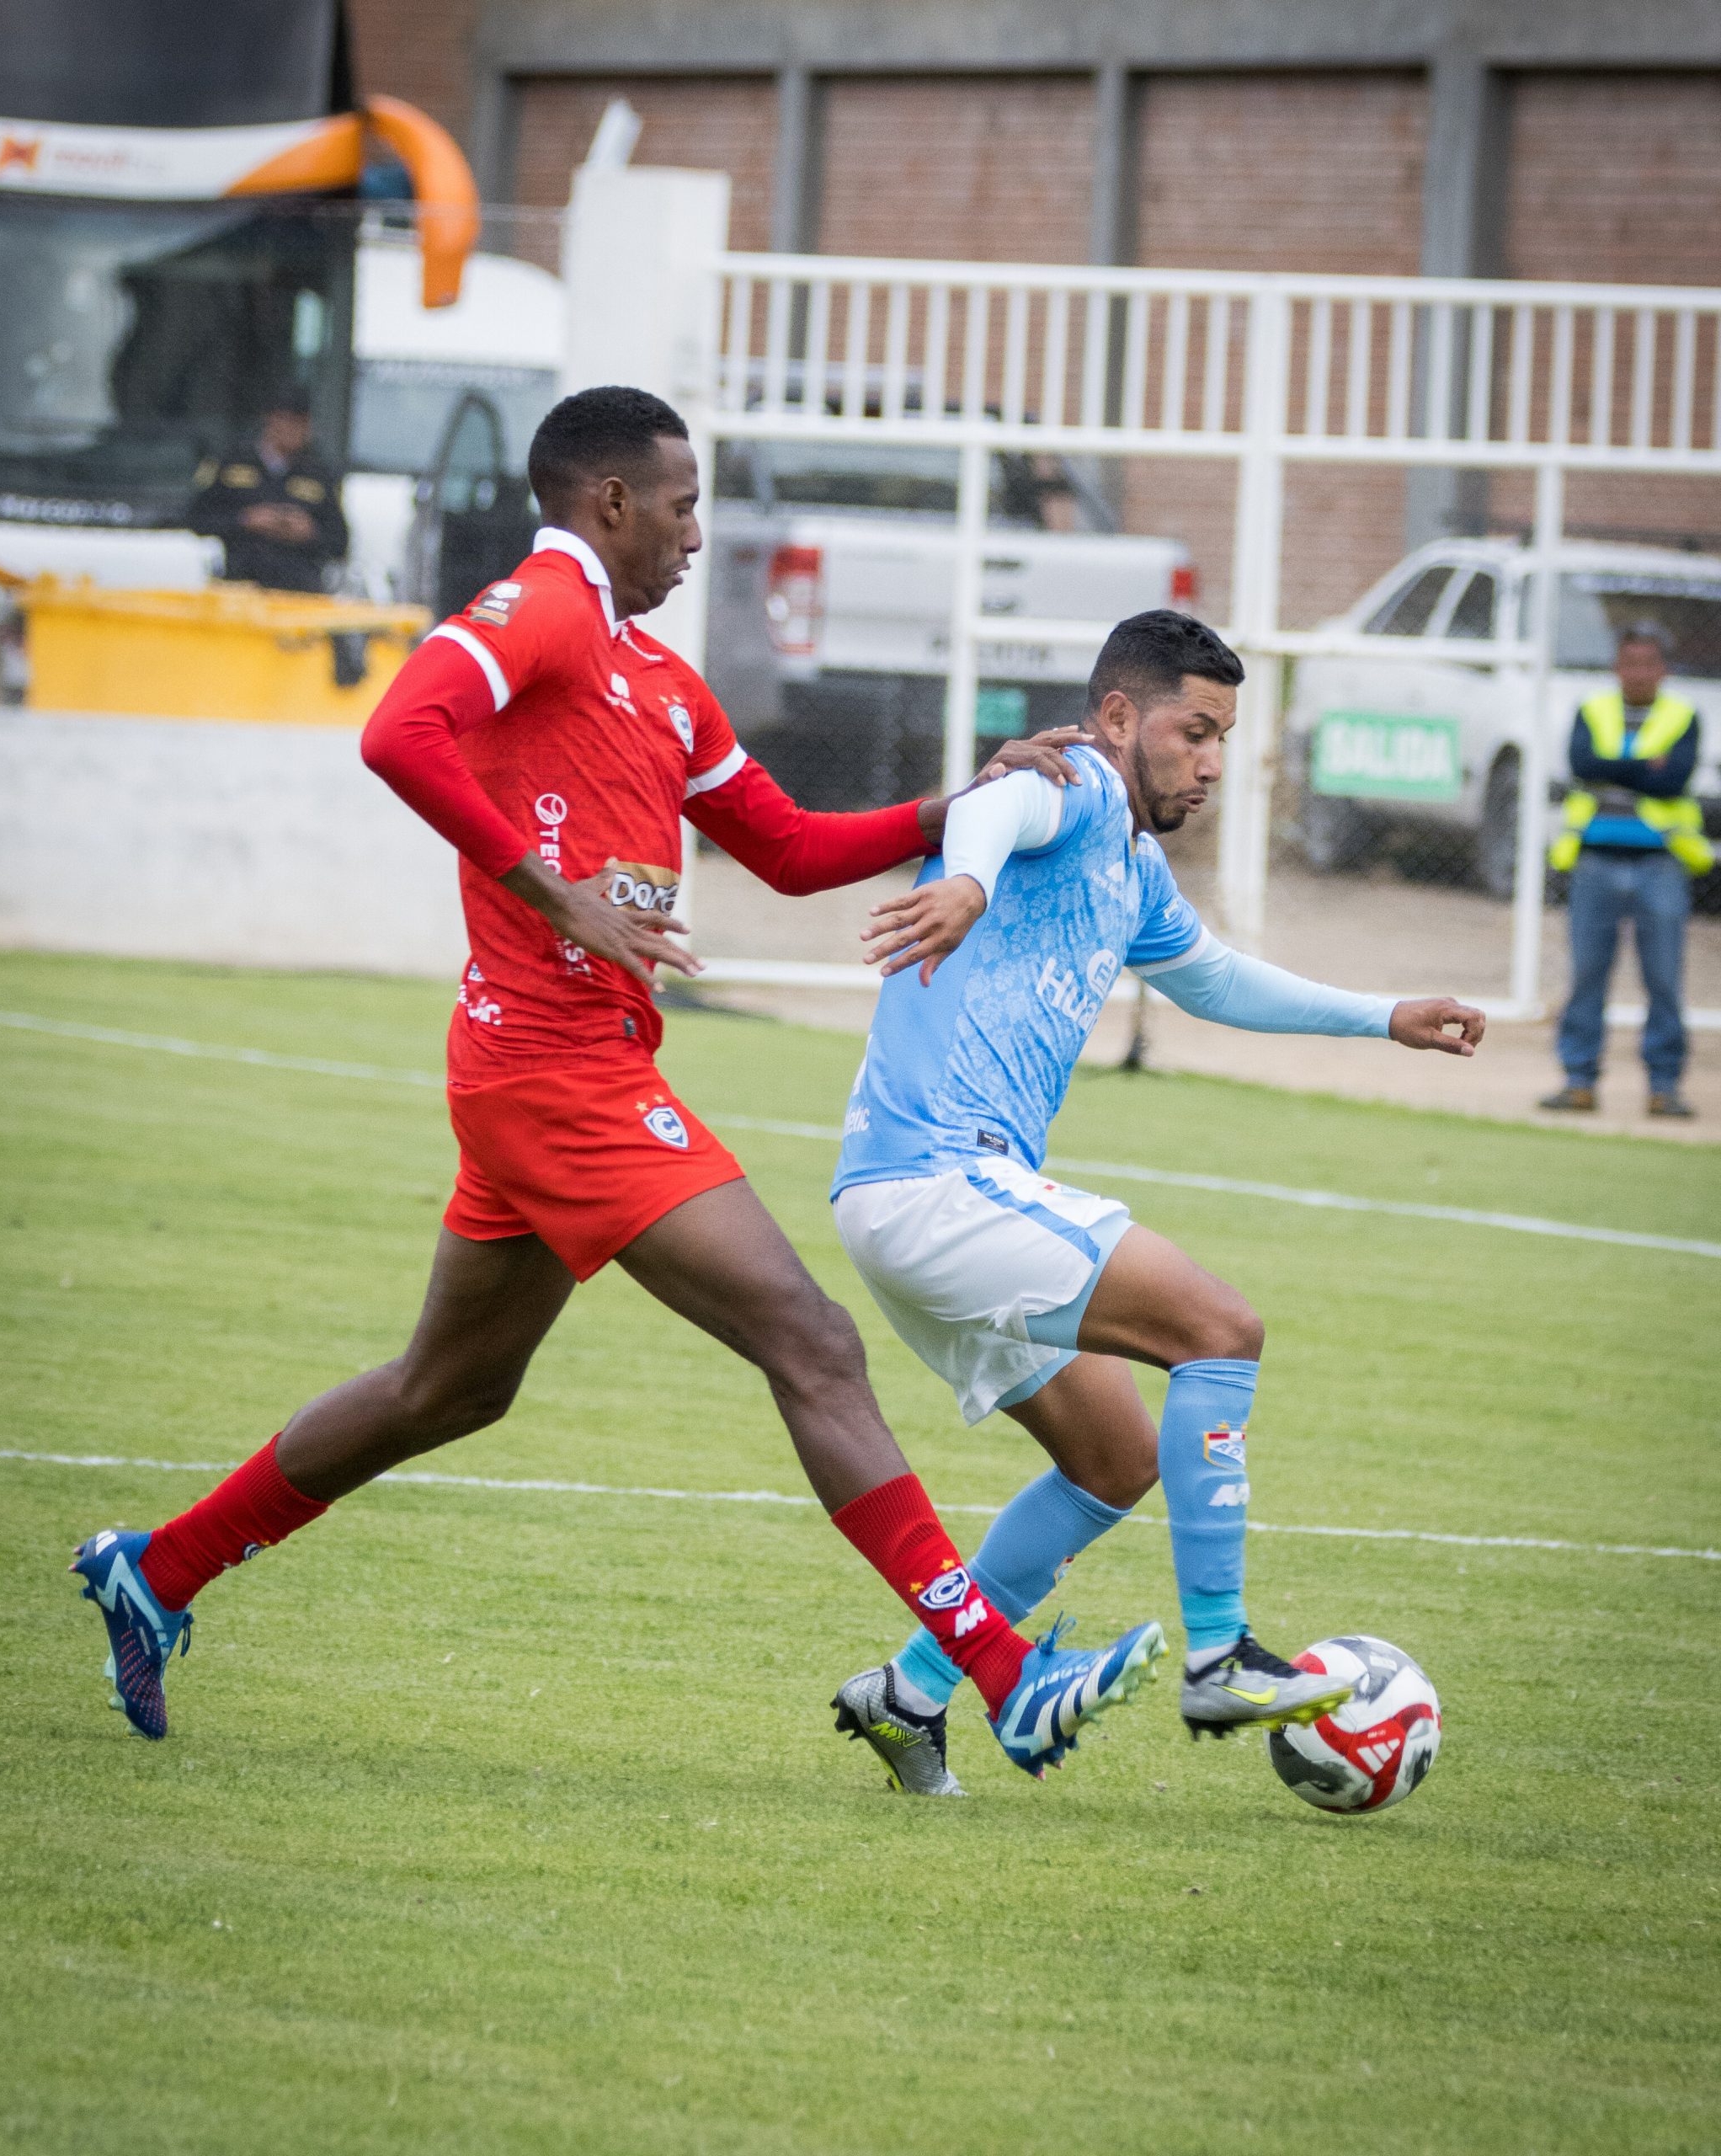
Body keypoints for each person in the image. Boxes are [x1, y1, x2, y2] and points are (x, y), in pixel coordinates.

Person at [72, 387, 1162, 1782]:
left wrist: (962, 802)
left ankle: (155, 1570)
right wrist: (552, 895)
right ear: (607, 505)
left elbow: (784, 844)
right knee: (810, 1339)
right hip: (552, 1072)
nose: (697, 532)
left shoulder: (652, 677)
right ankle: (1004, 1678)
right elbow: (396, 729)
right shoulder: (544, 607)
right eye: (684, 502)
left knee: (445, 1392)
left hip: (560, 1072)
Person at [825, 611, 1486, 1797]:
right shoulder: (1072, 782)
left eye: (1226, 738)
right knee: (1219, 1330)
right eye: (1197, 731)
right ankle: (1221, 1655)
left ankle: (913, 1694)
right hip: (938, 1181)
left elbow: (1219, 979)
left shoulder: (1131, 866)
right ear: (1123, 717)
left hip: (928, 1199)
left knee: (1115, 1455)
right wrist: (968, 881)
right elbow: (992, 805)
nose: (1214, 763)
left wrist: (1380, 1013)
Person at [1541, 623, 1711, 1119]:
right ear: (1616, 666)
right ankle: (1578, 1081)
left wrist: (1612, 766)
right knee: (1587, 976)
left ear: (1664, 670)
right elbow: (1580, 764)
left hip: (1660, 865)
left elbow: (1673, 780)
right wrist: (1642, 767)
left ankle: (1664, 1087)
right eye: (1629, 662)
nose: (1637, 672)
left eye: (1647, 663)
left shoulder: (1683, 716)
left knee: (1663, 980)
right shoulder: (1592, 711)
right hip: (1594, 861)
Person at [189, 387, 349, 593]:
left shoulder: (318, 473)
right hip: (239, 586)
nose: (297, 431)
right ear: (271, 420)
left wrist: (309, 532)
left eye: (302, 424)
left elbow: (339, 541)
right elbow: (195, 519)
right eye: (289, 421)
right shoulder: (232, 463)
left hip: (297, 591)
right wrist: (245, 521)